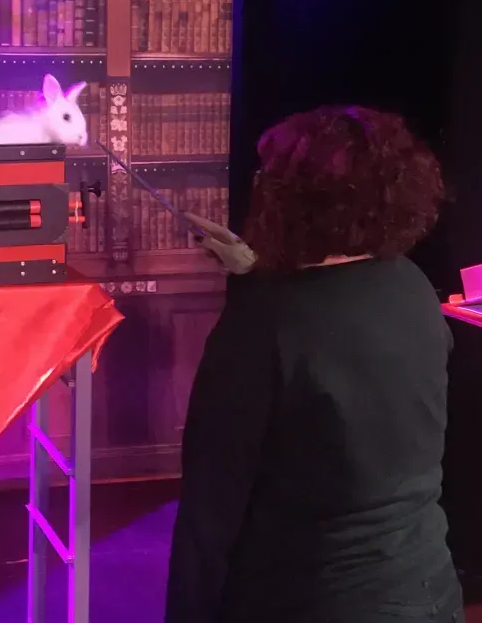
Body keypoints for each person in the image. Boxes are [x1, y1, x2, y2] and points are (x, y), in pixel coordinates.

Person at [166, 106, 462, 623]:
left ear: (288, 200)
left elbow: (210, 514)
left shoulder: (262, 327)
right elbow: (336, 322)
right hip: (429, 589)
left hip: (312, 599)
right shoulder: (411, 284)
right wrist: (257, 271)